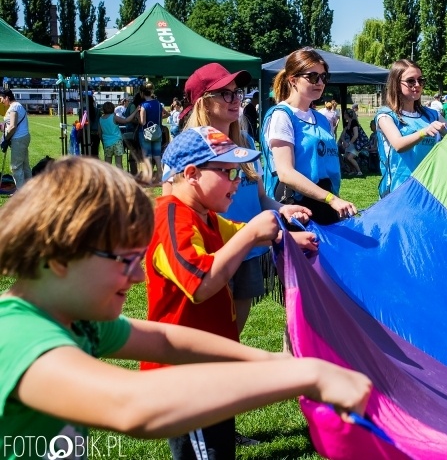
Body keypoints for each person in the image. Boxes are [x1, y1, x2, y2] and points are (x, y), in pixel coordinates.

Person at [0, 157, 371, 460]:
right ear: (60, 256)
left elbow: (164, 340)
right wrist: (307, 378)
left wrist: (282, 363)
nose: (138, 278)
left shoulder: (74, 320)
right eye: (124, 260)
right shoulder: (19, 337)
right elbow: (131, 406)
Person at [148, 127, 324, 458]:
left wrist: (283, 238)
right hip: (186, 377)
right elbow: (199, 285)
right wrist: (253, 233)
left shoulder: (205, 216)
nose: (236, 182)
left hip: (210, 366)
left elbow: (240, 232)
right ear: (191, 174)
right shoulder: (172, 218)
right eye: (227, 173)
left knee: (219, 447)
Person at [175, 62, 313, 336]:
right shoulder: (188, 148)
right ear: (203, 102)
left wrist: (283, 210)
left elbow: (261, 196)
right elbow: (177, 207)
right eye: (225, 93)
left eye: (237, 92)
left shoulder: (247, 143)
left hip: (249, 252)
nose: (236, 99)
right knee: (208, 335)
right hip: (212, 254)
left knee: (232, 334)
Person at [262, 47, 358, 224]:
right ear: (293, 80)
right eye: (313, 76)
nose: (320, 82)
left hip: (324, 201)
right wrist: (331, 199)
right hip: (296, 207)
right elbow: (285, 173)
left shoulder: (321, 119)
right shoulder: (282, 116)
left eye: (324, 77)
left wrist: (333, 198)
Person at [375, 59, 447, 197]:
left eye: (420, 80)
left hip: (430, 189)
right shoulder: (386, 115)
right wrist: (424, 132)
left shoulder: (432, 114)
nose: (417, 85)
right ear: (396, 83)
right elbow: (398, 144)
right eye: (411, 81)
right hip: (399, 191)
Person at [0, 89, 31, 189]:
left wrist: (6, 139)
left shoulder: (14, 107)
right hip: (22, 138)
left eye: (1, 99)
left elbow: (13, 126)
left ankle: (21, 193)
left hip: (18, 139)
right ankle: (30, 190)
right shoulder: (17, 106)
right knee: (25, 166)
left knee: (16, 167)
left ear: (7, 97)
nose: (1, 101)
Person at [99, 101, 138, 169]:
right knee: (119, 164)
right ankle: (120, 178)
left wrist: (103, 142)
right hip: (117, 142)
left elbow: (100, 133)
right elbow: (126, 120)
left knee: (107, 164)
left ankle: (108, 179)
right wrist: (135, 111)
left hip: (107, 143)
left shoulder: (100, 119)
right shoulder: (114, 117)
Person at [138, 83, 164, 181]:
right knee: (157, 155)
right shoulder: (158, 103)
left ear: (142, 93)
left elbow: (143, 122)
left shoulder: (143, 105)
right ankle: (161, 175)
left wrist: (137, 117)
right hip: (157, 132)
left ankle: (148, 177)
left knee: (147, 156)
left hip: (145, 133)